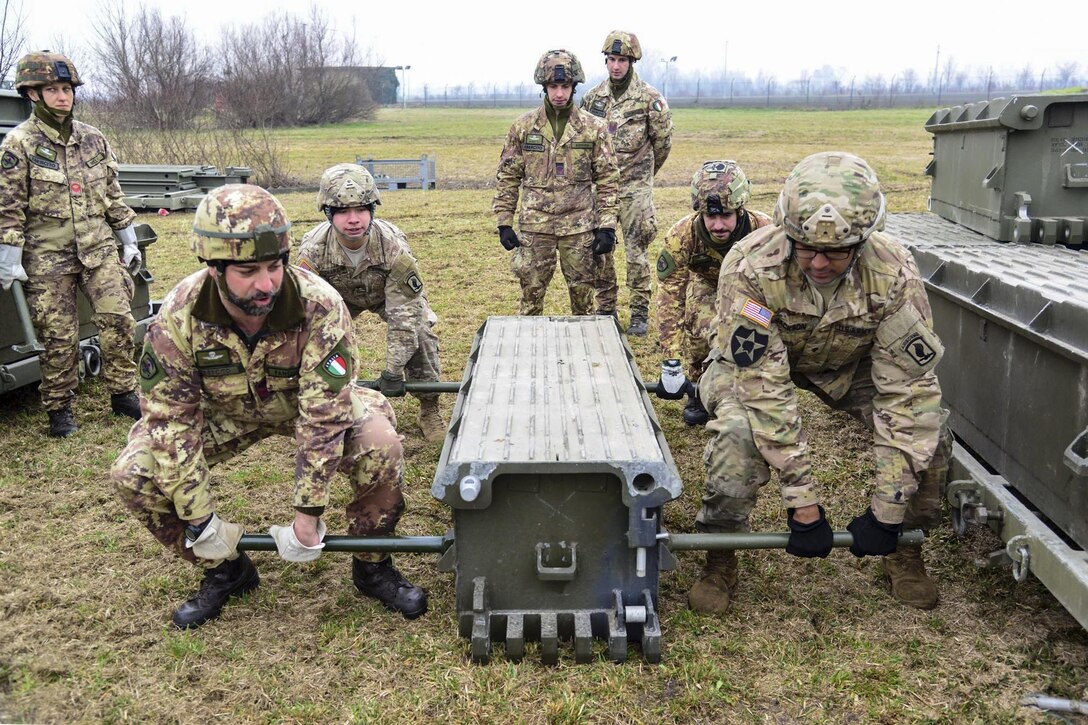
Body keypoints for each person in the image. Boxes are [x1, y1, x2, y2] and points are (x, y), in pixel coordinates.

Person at [110, 184, 426, 629]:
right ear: (214, 268)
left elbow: (325, 413)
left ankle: (373, 565)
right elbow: (169, 419)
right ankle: (226, 569)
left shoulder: (319, 303)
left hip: (308, 405)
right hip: (225, 413)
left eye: (275, 266)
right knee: (134, 472)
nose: (266, 284)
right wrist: (200, 519)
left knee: (380, 444)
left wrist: (308, 511)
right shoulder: (179, 316)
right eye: (248, 270)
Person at [684, 151, 952, 615]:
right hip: (755, 364)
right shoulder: (750, 266)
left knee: (932, 436)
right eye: (807, 248)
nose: (821, 263)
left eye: (838, 251)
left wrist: (887, 511)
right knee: (735, 434)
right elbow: (763, 384)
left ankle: (905, 550)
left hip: (852, 361)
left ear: (865, 240)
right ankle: (720, 551)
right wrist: (802, 503)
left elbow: (907, 393)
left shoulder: (894, 272)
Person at [0, 51, 142, 437]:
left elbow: (112, 194)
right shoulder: (19, 145)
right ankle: (60, 408)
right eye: (52, 89)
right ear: (32, 94)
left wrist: (127, 238)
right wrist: (9, 257)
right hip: (47, 257)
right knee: (58, 337)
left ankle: (124, 393)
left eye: (66, 89)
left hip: (97, 249)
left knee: (118, 320)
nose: (62, 97)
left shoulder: (92, 139)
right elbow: (9, 208)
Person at [296, 163, 445, 442]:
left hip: (385, 296)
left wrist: (392, 371)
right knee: (310, 338)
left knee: (422, 331)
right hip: (338, 301)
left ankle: (429, 409)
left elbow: (405, 316)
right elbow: (305, 312)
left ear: (372, 210)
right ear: (328, 213)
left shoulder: (393, 248)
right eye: (342, 211)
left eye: (361, 209)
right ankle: (324, 407)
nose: (353, 219)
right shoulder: (313, 251)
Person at [492, 49, 620, 317]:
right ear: (544, 87)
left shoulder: (594, 128)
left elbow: (608, 179)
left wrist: (606, 226)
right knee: (530, 298)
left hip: (579, 227)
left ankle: (584, 355)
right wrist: (504, 222)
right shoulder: (523, 128)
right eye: (553, 86)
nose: (559, 93)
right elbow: (508, 176)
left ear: (574, 88)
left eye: (565, 86)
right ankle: (530, 353)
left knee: (583, 300)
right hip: (535, 227)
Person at [654, 161, 771, 426]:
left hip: (750, 291)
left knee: (754, 329)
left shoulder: (765, 232)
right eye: (710, 216)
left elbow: (782, 288)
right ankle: (698, 388)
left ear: (740, 209)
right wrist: (670, 361)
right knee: (701, 325)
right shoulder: (682, 235)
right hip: (707, 283)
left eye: (726, 216)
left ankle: (752, 388)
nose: (718, 225)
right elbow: (670, 298)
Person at [580, 30, 673, 335]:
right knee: (600, 250)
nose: (616, 66)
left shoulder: (650, 99)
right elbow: (583, 142)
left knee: (637, 253)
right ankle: (606, 309)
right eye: (611, 60)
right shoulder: (593, 98)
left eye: (621, 60)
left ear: (632, 62)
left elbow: (662, 144)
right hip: (601, 190)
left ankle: (639, 313)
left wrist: (643, 175)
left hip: (635, 189)